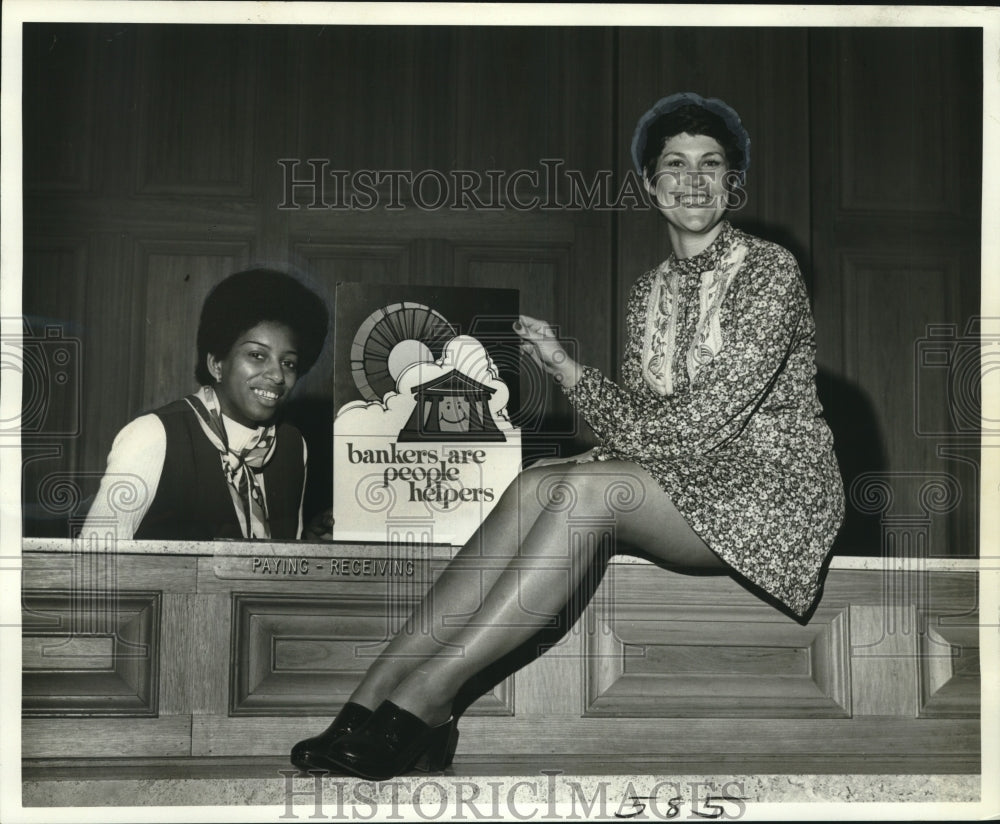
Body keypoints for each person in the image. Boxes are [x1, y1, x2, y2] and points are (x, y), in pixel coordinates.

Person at [290, 92, 845, 779]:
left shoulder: (770, 270)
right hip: (690, 478)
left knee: (587, 492)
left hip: (770, 491)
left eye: (712, 164)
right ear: (650, 183)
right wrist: (564, 366)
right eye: (674, 163)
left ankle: (427, 700)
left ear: (733, 182)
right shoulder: (650, 290)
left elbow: (705, 421)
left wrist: (603, 452)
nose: (693, 179)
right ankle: (368, 701)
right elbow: (645, 417)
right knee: (535, 485)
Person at [83, 268, 329, 540]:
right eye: (257, 355)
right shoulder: (152, 435)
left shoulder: (292, 446)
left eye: (288, 363)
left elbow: (279, 568)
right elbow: (94, 563)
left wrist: (309, 548)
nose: (277, 375)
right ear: (216, 364)